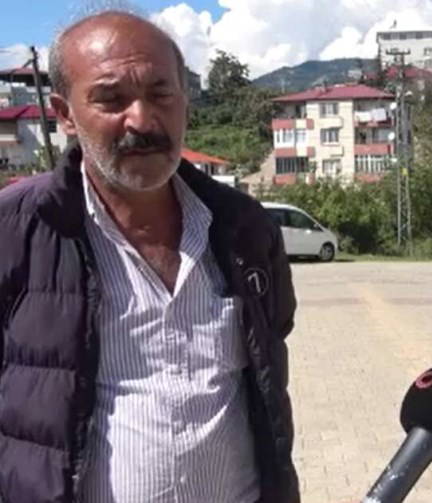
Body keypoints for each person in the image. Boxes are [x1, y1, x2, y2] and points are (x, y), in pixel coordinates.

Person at [0, 10, 299, 503]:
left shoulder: (244, 228)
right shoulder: (17, 230)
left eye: (161, 95)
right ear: (65, 114)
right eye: (111, 99)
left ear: (185, 101)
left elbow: (267, 369)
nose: (141, 120)